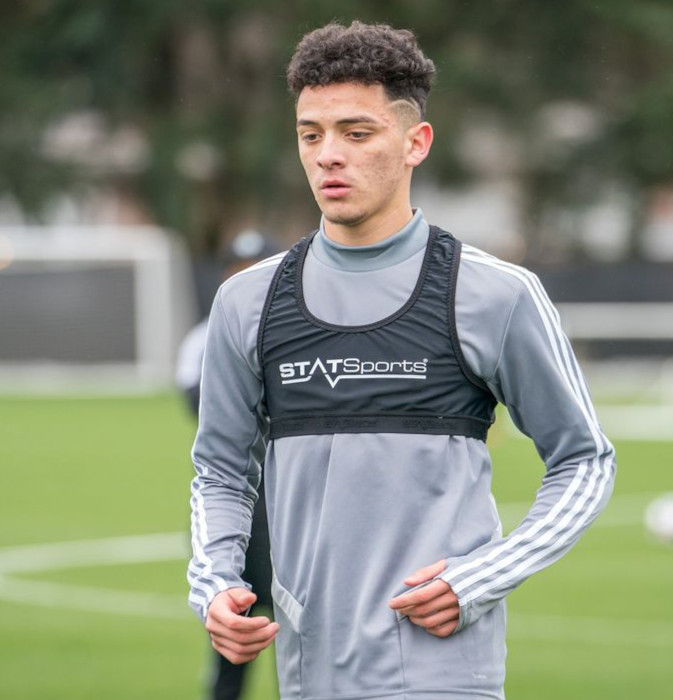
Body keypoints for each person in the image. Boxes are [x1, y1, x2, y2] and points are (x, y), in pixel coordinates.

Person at [187, 21, 616, 700]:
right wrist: (214, 584)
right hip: (308, 673)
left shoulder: (495, 294)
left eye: (357, 133)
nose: (329, 155)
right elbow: (219, 469)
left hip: (444, 673)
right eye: (310, 135)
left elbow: (585, 462)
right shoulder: (247, 301)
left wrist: (481, 577)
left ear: (416, 142)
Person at [178, 230, 278, 700]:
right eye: (237, 268)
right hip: (242, 495)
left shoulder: (303, 329)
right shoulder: (206, 335)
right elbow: (201, 407)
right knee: (235, 619)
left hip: (296, 494)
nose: (246, 276)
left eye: (256, 266)